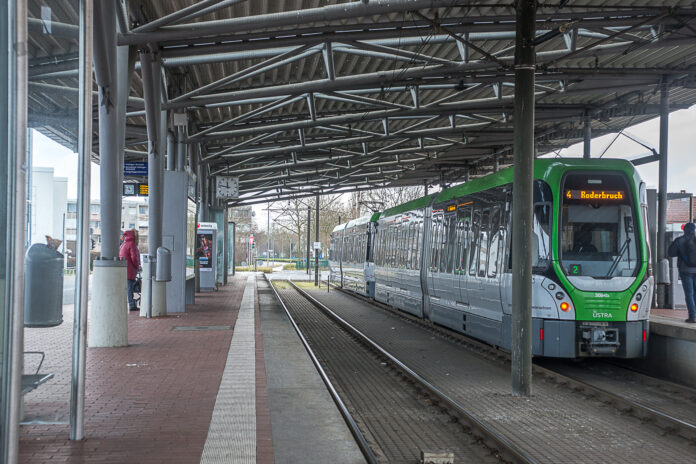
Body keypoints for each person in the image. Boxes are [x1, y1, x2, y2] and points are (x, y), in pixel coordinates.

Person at [668, 222, 696, 323]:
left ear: (684, 230)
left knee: (689, 294)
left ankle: (692, 316)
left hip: (685, 271)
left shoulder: (679, 240)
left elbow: (671, 253)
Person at [120, 229, 141, 311]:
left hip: (125, 269)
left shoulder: (124, 244)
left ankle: (129, 304)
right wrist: (138, 266)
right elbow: (134, 257)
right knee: (130, 289)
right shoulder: (132, 244)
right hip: (130, 270)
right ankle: (132, 305)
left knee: (127, 288)